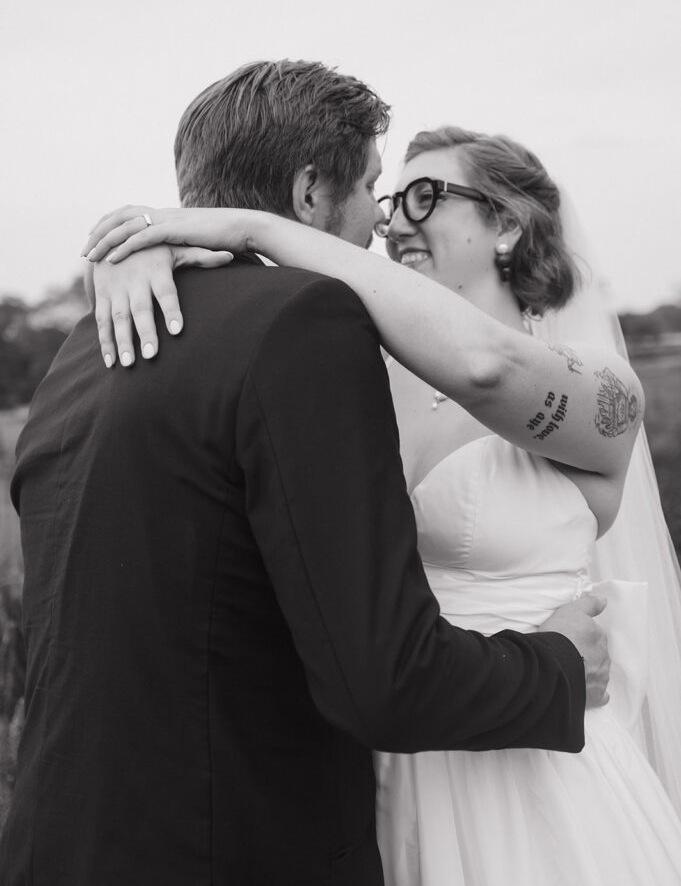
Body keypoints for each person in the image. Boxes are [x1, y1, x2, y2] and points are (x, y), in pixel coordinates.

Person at [0, 64, 608, 886]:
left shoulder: (84, 350)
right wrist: (559, 665)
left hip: (59, 843)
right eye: (372, 189)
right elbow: (383, 682)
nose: (380, 226)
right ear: (311, 189)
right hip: (236, 844)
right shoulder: (306, 328)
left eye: (417, 201)